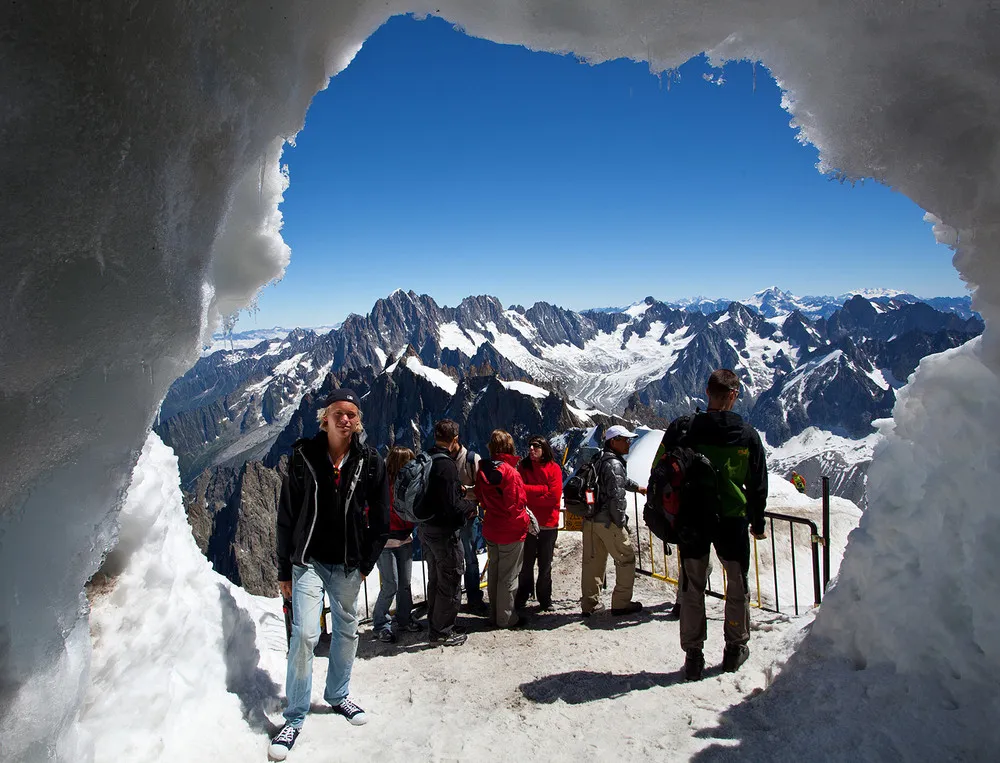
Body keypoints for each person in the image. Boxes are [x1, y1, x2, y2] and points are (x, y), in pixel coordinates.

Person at [270, 389, 389, 760]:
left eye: (352, 414)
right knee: (305, 633)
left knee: (347, 630)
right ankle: (295, 714)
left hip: (348, 564)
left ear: (358, 421)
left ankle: (338, 695)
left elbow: (381, 518)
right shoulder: (303, 455)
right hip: (307, 561)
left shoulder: (370, 461)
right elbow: (286, 515)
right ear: (325, 418)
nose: (346, 419)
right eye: (338, 412)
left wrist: (366, 562)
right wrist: (283, 568)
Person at [665, 369, 768, 681]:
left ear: (706, 392)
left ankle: (693, 656)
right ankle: (734, 650)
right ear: (733, 395)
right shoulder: (747, 435)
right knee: (737, 585)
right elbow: (759, 485)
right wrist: (758, 522)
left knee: (692, 587)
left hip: (693, 520)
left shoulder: (686, 429)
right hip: (732, 519)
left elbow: (667, 468)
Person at [418, 419, 478, 647]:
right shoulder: (447, 465)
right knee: (451, 580)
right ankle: (443, 631)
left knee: (435, 579)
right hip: (444, 533)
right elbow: (451, 507)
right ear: (455, 439)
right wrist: (469, 508)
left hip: (426, 529)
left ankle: (436, 624)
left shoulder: (426, 457)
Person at [581, 425, 646, 618]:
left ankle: (589, 605)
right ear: (613, 441)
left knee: (593, 562)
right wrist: (621, 522)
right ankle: (621, 603)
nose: (628, 443)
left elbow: (619, 480)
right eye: (625, 440)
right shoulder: (615, 463)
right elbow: (617, 497)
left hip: (591, 520)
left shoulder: (599, 459)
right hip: (609, 522)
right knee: (626, 559)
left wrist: (637, 487)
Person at [475, 429, 531, 628]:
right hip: (511, 531)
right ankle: (506, 619)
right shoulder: (511, 472)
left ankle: (494, 615)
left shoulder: (483, 469)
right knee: (509, 576)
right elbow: (516, 504)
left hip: (492, 528)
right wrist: (526, 521)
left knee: (495, 573)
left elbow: (481, 498)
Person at [372, 446, 423, 643]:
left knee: (405, 584)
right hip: (385, 543)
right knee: (391, 585)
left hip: (404, 540)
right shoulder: (380, 485)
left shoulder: (406, 484)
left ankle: (403, 619)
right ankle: (380, 624)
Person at [515, 436, 563, 612]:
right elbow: (519, 491)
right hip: (528, 523)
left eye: (536, 446)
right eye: (530, 446)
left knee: (545, 564)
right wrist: (542, 489)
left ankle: (545, 597)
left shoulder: (554, 469)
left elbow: (553, 497)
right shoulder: (523, 467)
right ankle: (524, 594)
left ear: (544, 448)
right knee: (525, 564)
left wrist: (531, 493)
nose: (531, 449)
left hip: (548, 525)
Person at [454, 440, 488, 616]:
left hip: (468, 518)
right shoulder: (444, 458)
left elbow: (482, 488)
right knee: (455, 560)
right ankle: (455, 601)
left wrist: (463, 490)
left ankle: (474, 599)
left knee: (470, 559)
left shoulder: (471, 459)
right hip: (452, 519)